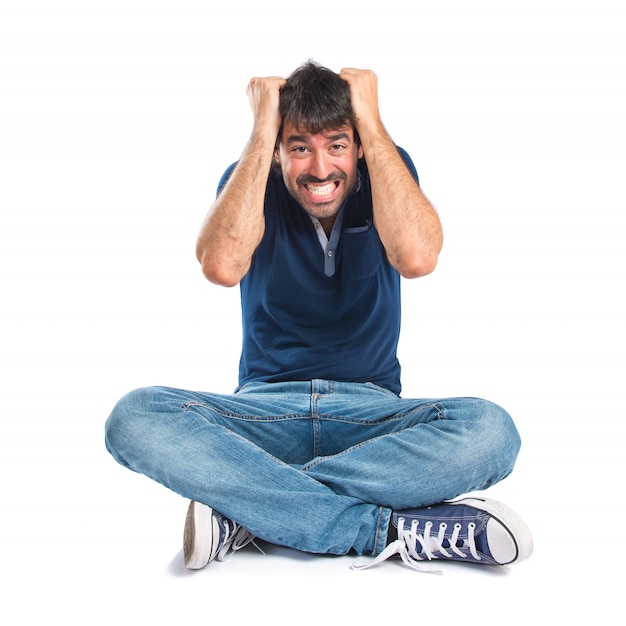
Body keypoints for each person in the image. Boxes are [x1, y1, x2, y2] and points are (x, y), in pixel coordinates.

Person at [105, 61, 533, 573]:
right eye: (299, 147)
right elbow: (221, 266)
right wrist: (262, 130)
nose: (320, 169)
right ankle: (384, 528)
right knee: (134, 417)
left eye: (337, 144)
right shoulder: (250, 182)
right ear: (278, 151)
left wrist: (372, 124)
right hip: (263, 415)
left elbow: (418, 257)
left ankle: (251, 510)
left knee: (491, 431)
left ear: (358, 146)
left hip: (372, 416)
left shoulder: (386, 176)